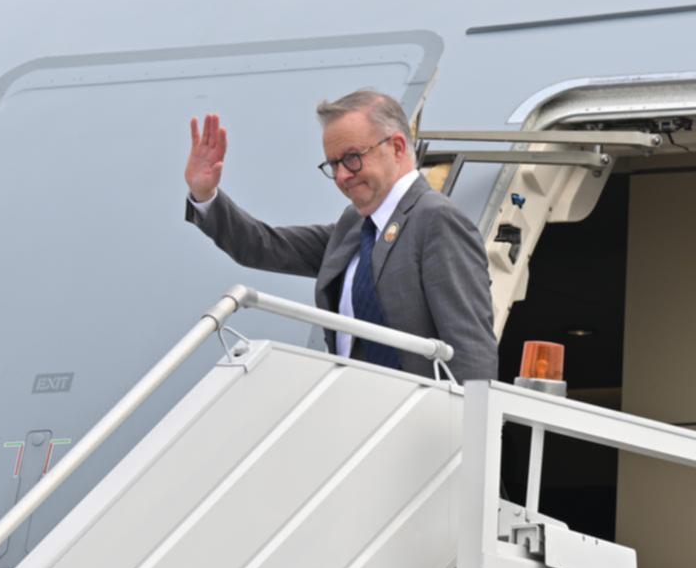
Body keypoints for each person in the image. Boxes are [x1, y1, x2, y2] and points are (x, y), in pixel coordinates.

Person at [184, 89, 497, 381]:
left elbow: (471, 349)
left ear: (397, 147)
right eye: (334, 164)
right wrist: (205, 194)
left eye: (352, 158)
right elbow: (264, 247)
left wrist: (463, 434)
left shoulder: (435, 220)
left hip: (416, 422)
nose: (343, 176)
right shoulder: (355, 226)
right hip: (353, 407)